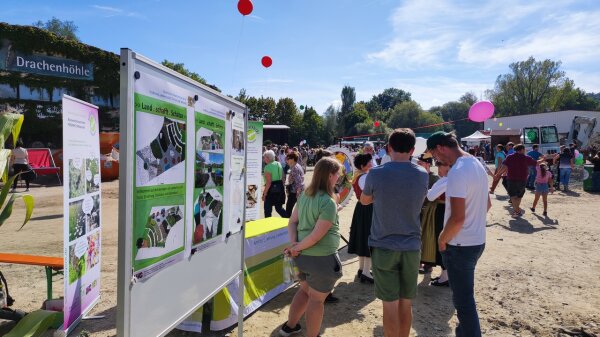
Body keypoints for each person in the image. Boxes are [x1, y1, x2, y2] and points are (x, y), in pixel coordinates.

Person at [360, 128, 428, 337]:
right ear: (413, 149)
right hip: (411, 246)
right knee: (405, 304)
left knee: (389, 305)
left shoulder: (376, 173)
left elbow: (364, 201)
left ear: (388, 148)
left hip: (383, 245)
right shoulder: (423, 174)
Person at [427, 131, 491, 337]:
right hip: (476, 240)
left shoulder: (458, 171)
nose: (437, 161)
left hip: (460, 244)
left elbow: (457, 218)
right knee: (464, 299)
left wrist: (442, 239)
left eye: (435, 156)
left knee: (463, 302)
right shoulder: (477, 164)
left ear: (440, 148)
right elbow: (487, 205)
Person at [279, 157, 343, 337]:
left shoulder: (305, 196)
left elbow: (292, 222)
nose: (338, 177)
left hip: (303, 257)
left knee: (305, 290)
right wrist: (296, 246)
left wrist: (295, 246)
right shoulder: (328, 202)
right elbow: (316, 236)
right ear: (330, 175)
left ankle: (290, 326)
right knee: (316, 300)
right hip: (320, 258)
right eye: (337, 174)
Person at [347, 153, 374, 284]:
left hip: (361, 208)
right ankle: (366, 272)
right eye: (369, 162)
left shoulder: (359, 175)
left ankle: (363, 269)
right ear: (363, 166)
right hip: (368, 208)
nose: (372, 164)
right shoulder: (365, 177)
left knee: (363, 237)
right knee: (368, 237)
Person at [495, 144, 538, 218]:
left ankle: (517, 211)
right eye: (524, 150)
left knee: (512, 195)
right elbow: (537, 163)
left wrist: (498, 174)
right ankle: (517, 211)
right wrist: (544, 159)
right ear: (521, 150)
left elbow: (504, 167)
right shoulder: (526, 157)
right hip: (522, 179)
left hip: (511, 179)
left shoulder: (510, 157)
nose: (525, 151)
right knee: (519, 195)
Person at [426, 160, 450, 286]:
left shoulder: (445, 180)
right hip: (448, 211)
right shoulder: (455, 178)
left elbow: (430, 196)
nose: (438, 170)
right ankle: (444, 275)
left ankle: (445, 276)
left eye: (440, 167)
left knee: (441, 241)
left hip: (442, 212)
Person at [417, 152, 438, 275]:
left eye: (421, 163)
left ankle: (428, 264)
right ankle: (419, 262)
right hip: (417, 211)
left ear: (428, 164)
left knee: (428, 237)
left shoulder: (434, 178)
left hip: (429, 212)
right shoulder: (417, 175)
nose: (418, 165)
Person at [263, 150, 287, 218]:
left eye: (264, 157)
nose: (263, 159)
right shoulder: (278, 164)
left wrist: (264, 194)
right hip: (280, 188)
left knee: (267, 210)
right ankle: (289, 220)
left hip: (271, 190)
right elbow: (283, 177)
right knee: (279, 208)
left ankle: (268, 225)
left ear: (268, 158)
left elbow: (268, 182)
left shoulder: (267, 167)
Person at [285, 151, 305, 217]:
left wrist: (298, 193)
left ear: (293, 159)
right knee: (299, 209)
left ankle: (287, 224)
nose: (286, 160)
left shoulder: (294, 168)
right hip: (298, 191)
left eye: (288, 158)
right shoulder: (298, 166)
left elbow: (299, 182)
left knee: (288, 209)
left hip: (295, 192)